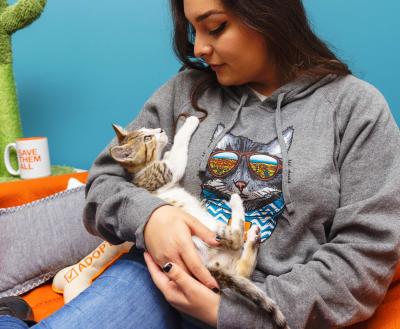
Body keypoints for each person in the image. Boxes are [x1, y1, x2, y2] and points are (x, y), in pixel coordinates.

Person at [1, 0, 399, 328]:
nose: (199, 49)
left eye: (215, 27)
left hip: (271, 307)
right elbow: (103, 182)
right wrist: (151, 217)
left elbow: (366, 256)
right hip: (155, 282)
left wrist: (231, 312)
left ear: (268, 14)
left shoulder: (355, 110)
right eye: (194, 30)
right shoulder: (185, 92)